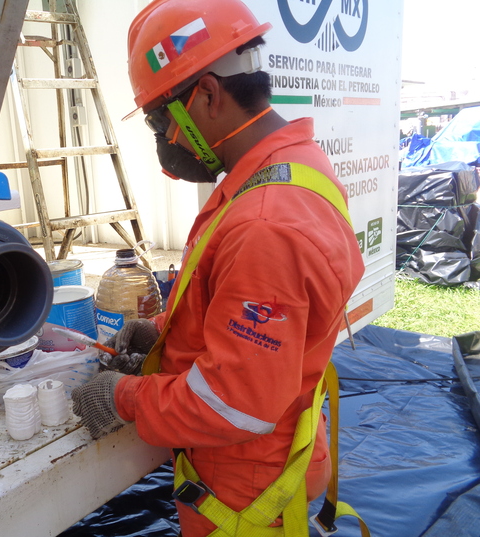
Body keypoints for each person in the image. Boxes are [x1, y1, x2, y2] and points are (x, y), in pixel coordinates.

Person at [71, 1, 365, 536]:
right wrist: (162, 332)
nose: (164, 140)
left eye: (160, 120)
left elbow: (233, 404)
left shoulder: (265, 224)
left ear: (207, 94)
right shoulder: (288, 166)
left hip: (247, 494)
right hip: (264, 459)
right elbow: (237, 310)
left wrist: (122, 397)